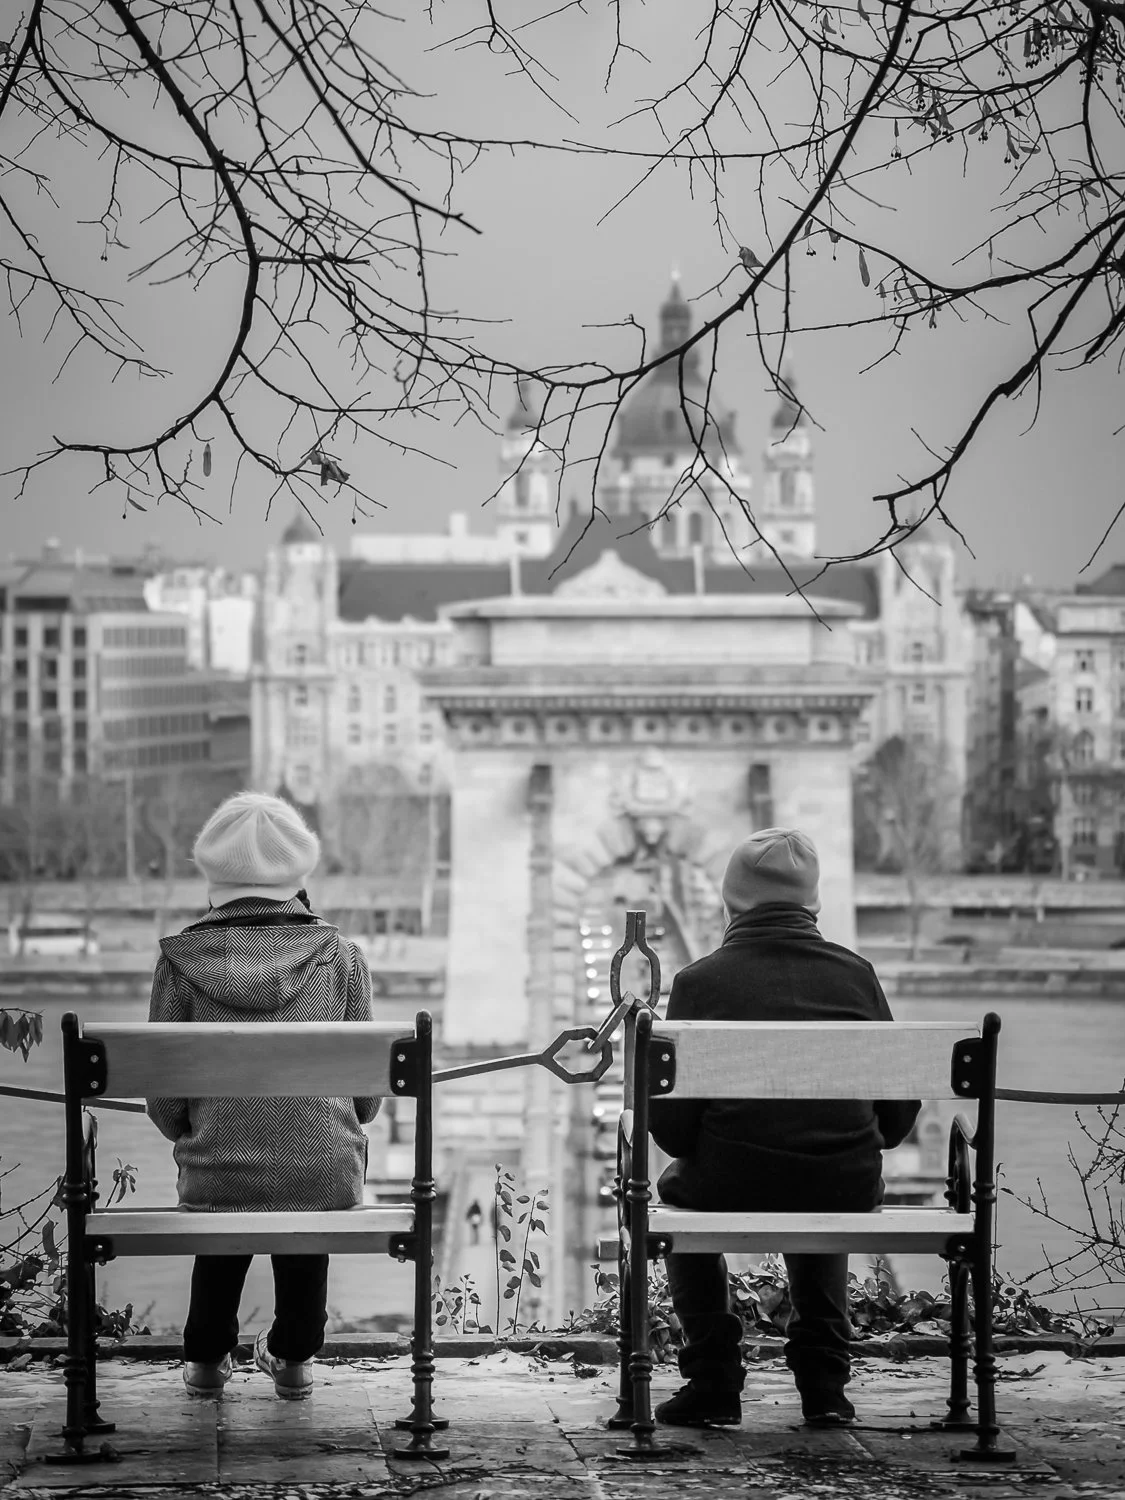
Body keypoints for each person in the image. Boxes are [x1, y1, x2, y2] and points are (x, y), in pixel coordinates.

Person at [648, 827, 920, 1430]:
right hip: (842, 1184)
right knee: (820, 1176)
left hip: (730, 1182)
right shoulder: (857, 977)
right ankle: (824, 1387)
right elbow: (898, 1121)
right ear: (812, 902)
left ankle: (713, 1378)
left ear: (732, 901)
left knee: (676, 1195)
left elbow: (672, 1132)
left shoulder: (699, 983)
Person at [146, 792, 380, 1400]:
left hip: (217, 1172)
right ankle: (294, 1353)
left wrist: (203, 1130)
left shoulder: (178, 961)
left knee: (230, 1166)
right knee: (309, 1160)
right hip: (322, 1173)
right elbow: (366, 1097)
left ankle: (203, 1357)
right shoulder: (342, 957)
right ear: (298, 876)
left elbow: (165, 1105)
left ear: (212, 875)